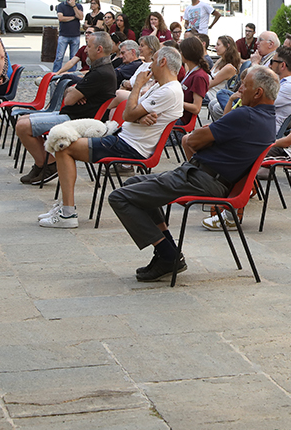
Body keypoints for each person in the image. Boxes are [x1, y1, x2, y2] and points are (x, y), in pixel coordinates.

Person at [107, 65, 278, 281]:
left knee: (119, 197)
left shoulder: (246, 115)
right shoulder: (267, 118)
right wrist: (208, 138)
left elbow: (194, 140)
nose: (240, 88)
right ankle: (168, 251)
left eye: (245, 85)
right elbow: (202, 140)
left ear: (258, 93)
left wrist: (206, 136)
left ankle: (168, 254)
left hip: (203, 179)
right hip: (206, 176)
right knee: (135, 184)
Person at [39, 46, 187, 229]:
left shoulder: (170, 90)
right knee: (64, 138)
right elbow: (131, 112)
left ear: (162, 62)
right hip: (122, 137)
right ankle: (64, 207)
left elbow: (127, 114)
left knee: (64, 147)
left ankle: (67, 213)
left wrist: (138, 88)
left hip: (129, 146)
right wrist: (138, 115)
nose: (149, 66)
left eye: (153, 60)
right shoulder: (161, 86)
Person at [17, 32, 118, 184]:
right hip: (72, 115)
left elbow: (69, 100)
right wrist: (74, 90)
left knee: (22, 126)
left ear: (99, 49)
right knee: (24, 119)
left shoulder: (101, 73)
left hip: (78, 120)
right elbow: (70, 93)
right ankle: (44, 163)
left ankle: (48, 165)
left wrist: (74, 91)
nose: (85, 50)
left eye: (88, 46)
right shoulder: (100, 68)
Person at [205, 35, 242, 120]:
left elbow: (210, 84)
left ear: (227, 46)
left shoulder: (229, 67)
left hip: (212, 94)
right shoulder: (220, 60)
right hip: (207, 91)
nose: (215, 47)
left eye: (218, 45)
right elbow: (209, 75)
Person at [176, 36, 210, 127]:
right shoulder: (191, 71)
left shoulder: (199, 77)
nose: (180, 53)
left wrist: (175, 102)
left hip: (181, 120)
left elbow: (196, 108)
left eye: (181, 51)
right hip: (177, 114)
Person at [265, 45, 291, 135]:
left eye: (272, 62)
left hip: (268, 131)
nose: (269, 65)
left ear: (283, 65)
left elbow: (261, 103)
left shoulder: (289, 86)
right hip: (264, 125)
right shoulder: (288, 82)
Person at [53, 0, 83, 73]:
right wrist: (73, 17)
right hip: (64, 35)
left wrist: (74, 6)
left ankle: (71, 74)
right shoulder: (61, 6)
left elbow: (80, 17)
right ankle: (56, 73)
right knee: (59, 56)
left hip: (75, 35)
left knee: (73, 57)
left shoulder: (78, 6)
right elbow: (61, 18)